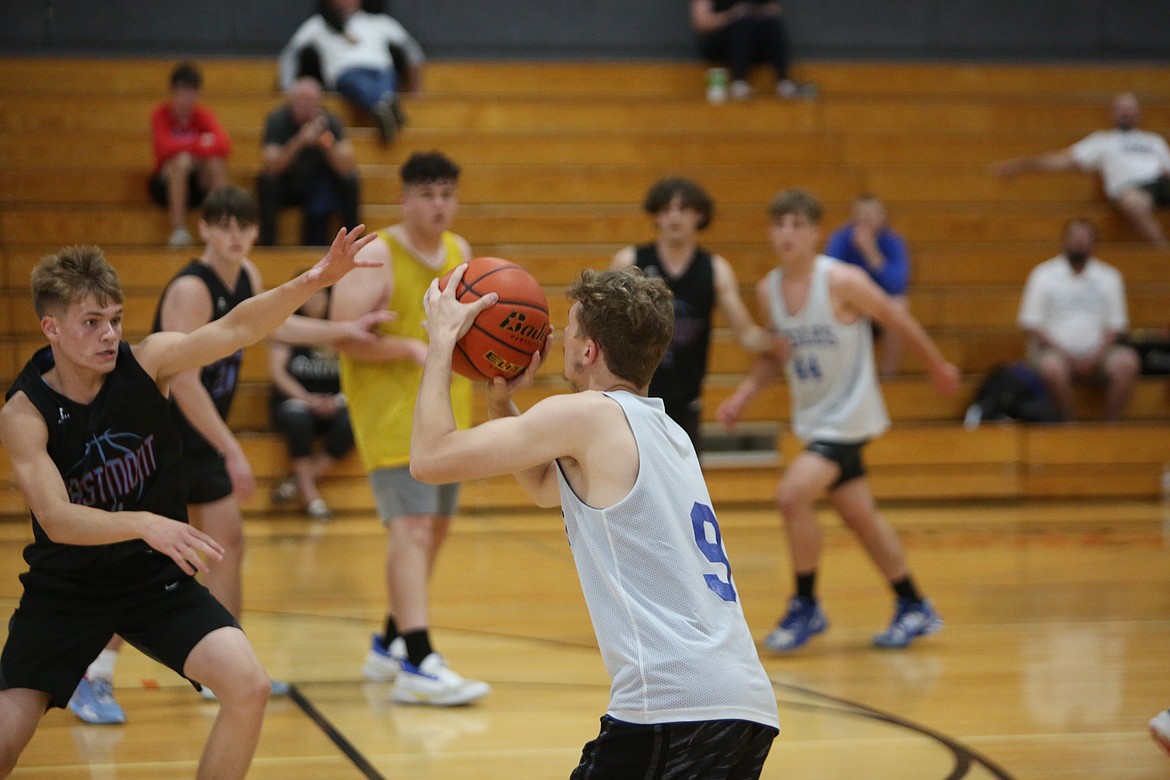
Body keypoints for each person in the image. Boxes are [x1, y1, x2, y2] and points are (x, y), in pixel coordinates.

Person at [0, 228, 378, 777]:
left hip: (155, 584)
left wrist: (313, 280)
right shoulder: (24, 413)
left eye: (115, 319)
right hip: (67, 592)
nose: (109, 335)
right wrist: (147, 523)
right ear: (51, 329)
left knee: (249, 686)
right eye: (91, 323)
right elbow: (56, 520)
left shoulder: (150, 362)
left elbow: (236, 326)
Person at [411, 264, 780, 777]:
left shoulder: (587, 414)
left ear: (589, 352)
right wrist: (502, 405)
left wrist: (442, 342)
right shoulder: (667, 431)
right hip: (740, 704)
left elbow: (429, 458)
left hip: (672, 707)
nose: (558, 339)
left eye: (570, 330)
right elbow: (546, 488)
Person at [65, 186, 387, 725]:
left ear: (256, 231)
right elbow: (182, 375)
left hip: (198, 438)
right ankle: (92, 672)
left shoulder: (248, 278)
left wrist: (342, 330)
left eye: (244, 224)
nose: (235, 233)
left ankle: (228, 668)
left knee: (227, 544)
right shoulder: (193, 287)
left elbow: (273, 325)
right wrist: (231, 447)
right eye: (223, 224)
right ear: (206, 230)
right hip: (156, 434)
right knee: (150, 560)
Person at [716, 188, 960, 652]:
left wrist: (936, 365)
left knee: (791, 497)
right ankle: (914, 604)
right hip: (815, 416)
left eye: (796, 225)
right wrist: (744, 395)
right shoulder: (768, 289)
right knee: (859, 516)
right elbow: (776, 354)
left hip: (849, 414)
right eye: (779, 225)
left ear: (814, 234)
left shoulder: (841, 280)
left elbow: (896, 316)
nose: (787, 233)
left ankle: (806, 605)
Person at [329, 151, 490, 705]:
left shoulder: (459, 252)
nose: (438, 203)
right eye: (427, 193)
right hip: (391, 416)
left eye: (447, 192)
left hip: (448, 411)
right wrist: (404, 345)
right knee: (414, 530)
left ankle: (389, 642)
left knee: (434, 532)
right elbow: (339, 334)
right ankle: (419, 660)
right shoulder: (378, 254)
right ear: (403, 198)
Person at [610, 176, 786, 456]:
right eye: (666, 209)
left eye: (683, 208)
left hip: (686, 402)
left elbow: (747, 334)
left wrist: (781, 341)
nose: (674, 216)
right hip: (634, 399)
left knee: (687, 495)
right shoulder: (630, 261)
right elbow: (608, 332)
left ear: (699, 215)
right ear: (656, 215)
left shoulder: (715, 269)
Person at [995, 92, 1170, 249]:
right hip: (1133, 190)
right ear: (1112, 114)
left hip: (1162, 182)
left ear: (1138, 113)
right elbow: (1061, 160)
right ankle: (1163, 250)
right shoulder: (1103, 141)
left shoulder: (1154, 140)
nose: (1125, 112)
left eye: (1130, 108)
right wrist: (1021, 165)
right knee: (1132, 202)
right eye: (1120, 108)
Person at [1017, 217, 1140, 422]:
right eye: (1074, 237)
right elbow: (1032, 324)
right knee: (1052, 368)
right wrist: (1067, 355)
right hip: (1054, 351)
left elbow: (1116, 326)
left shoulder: (1110, 277)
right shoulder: (1043, 275)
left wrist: (1093, 356)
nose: (1079, 243)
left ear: (1094, 244)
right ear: (1064, 240)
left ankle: (1112, 426)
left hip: (1099, 353)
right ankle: (1069, 427)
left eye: (1084, 238)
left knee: (1128, 361)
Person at [278, 0, 425, 144]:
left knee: (387, 78)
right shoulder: (318, 24)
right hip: (346, 74)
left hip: (382, 72)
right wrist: (287, 85)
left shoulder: (380, 21)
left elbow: (411, 50)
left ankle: (383, 107)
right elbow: (292, 52)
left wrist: (416, 88)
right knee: (358, 82)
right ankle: (386, 104)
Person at [268, 282, 354, 520]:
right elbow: (277, 372)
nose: (312, 301)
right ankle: (309, 495)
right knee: (298, 421)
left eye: (318, 295)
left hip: (334, 402)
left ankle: (295, 483)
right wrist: (307, 398)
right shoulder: (287, 327)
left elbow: (354, 373)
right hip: (295, 401)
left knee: (353, 423)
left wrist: (336, 401)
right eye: (307, 295)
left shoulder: (340, 329)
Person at [258, 76, 361, 247]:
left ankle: (353, 243)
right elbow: (272, 166)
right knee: (267, 181)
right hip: (288, 183)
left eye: (311, 100)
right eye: (301, 100)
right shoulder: (277, 119)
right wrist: (299, 141)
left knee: (349, 180)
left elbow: (345, 166)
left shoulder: (330, 121)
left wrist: (325, 141)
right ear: (290, 100)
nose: (306, 105)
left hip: (319, 184)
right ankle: (268, 246)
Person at [823, 193, 911, 376]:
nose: (867, 220)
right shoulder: (841, 239)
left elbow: (897, 284)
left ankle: (889, 378)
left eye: (872, 214)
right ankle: (839, 376)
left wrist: (871, 252)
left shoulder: (893, 242)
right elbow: (828, 277)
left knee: (900, 306)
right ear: (853, 218)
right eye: (861, 215)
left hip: (879, 306)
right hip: (849, 305)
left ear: (883, 217)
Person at [149, 61, 231, 249]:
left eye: (192, 91)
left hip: (198, 181)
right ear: (174, 91)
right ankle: (179, 230)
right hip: (166, 182)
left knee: (215, 163)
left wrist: (188, 148)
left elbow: (224, 146)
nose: (187, 97)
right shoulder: (160, 115)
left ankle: (221, 227)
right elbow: (164, 149)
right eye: (183, 90)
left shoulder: (203, 115)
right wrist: (199, 144)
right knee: (182, 162)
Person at [690, 0, 815, 101]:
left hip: (754, 43)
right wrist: (732, 15)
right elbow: (702, 22)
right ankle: (738, 82)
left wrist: (762, 13)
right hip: (721, 44)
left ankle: (784, 82)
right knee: (744, 23)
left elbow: (774, 9)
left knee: (772, 23)